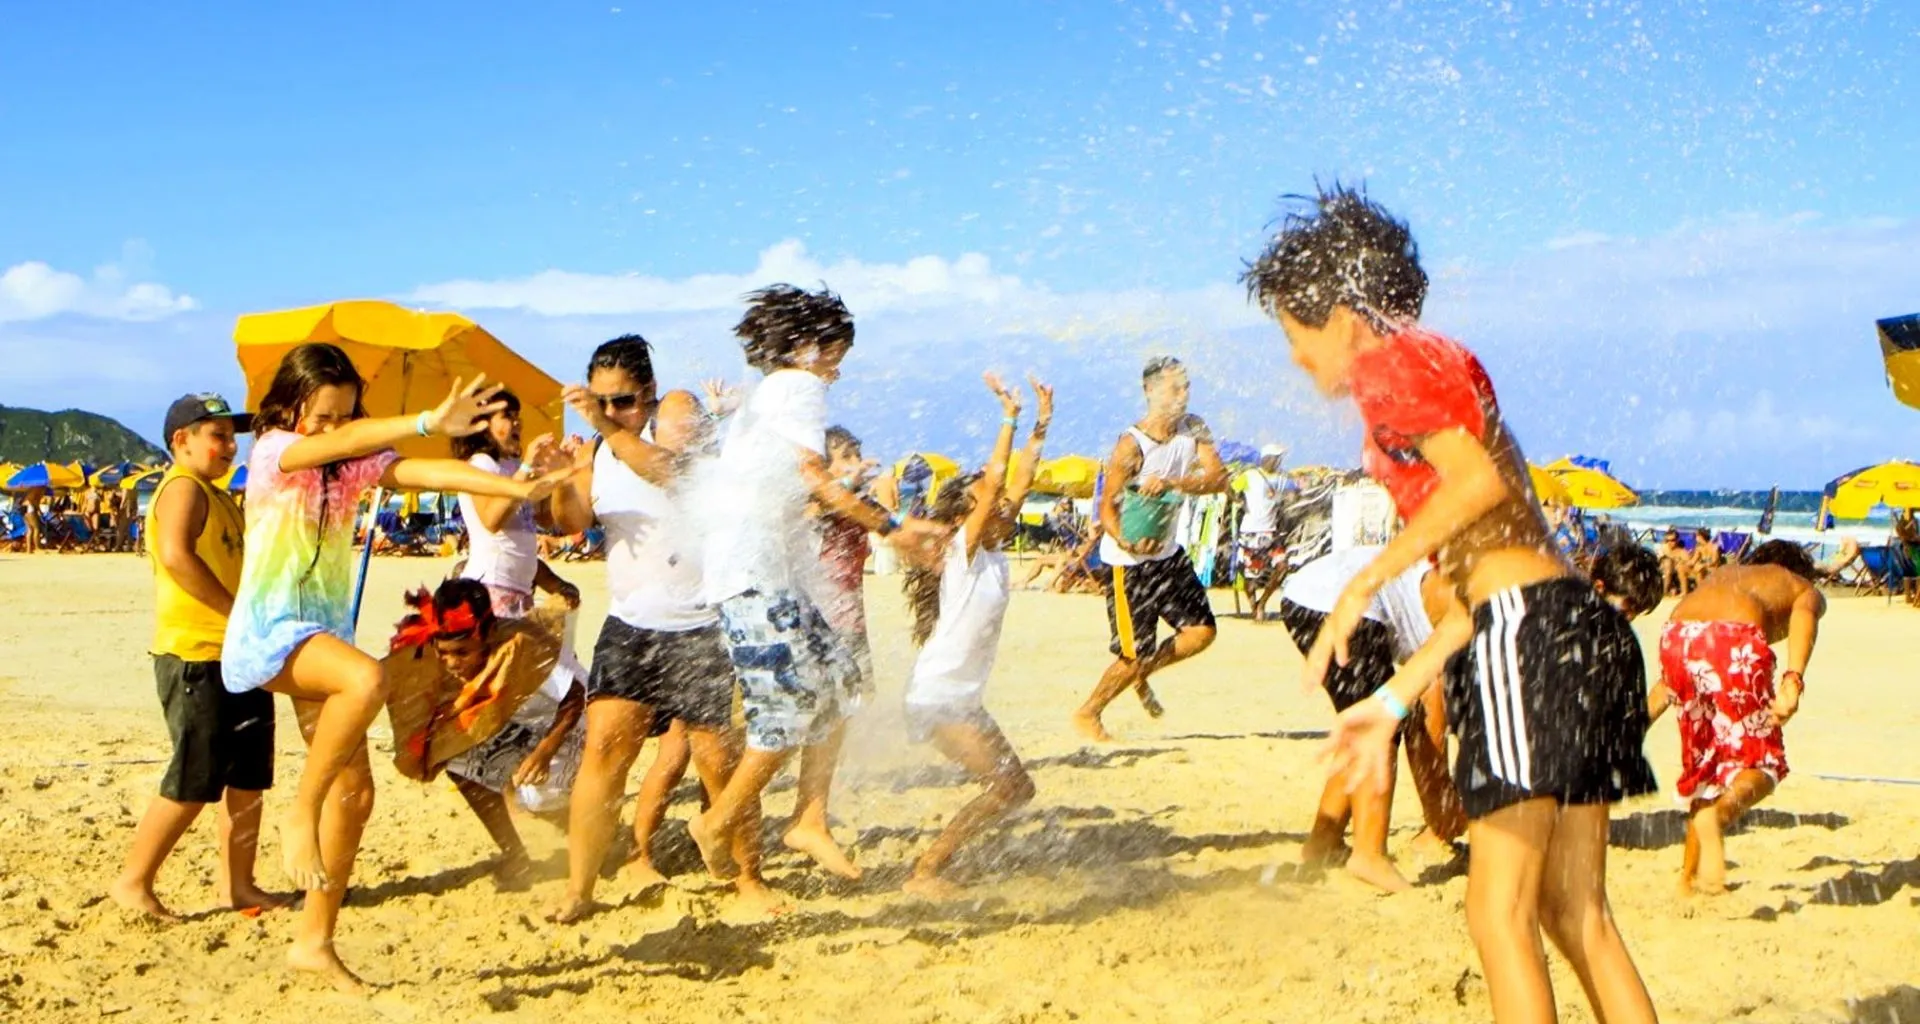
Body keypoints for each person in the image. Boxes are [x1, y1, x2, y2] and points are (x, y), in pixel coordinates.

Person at [1247, 183, 1659, 1024]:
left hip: (1528, 631)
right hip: (1574, 626)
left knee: (1498, 912)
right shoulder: (1438, 358)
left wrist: (1362, 583)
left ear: (1340, 314)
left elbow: (1473, 489)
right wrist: (1391, 700)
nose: (1294, 359)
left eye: (1294, 335)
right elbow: (1479, 595)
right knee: (1578, 915)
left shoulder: (1388, 365)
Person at [221, 342, 573, 990]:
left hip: (320, 638)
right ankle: (300, 812)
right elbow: (337, 443)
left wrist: (517, 485)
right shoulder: (274, 450)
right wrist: (421, 422)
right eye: (323, 417)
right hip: (270, 636)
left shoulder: (351, 470)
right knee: (368, 678)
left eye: (343, 416)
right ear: (293, 408)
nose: (334, 429)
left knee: (356, 795)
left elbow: (431, 477)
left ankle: (314, 942)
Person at [683, 283, 946, 890]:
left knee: (842, 687)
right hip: (748, 573)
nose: (838, 368)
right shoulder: (798, 387)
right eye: (835, 353)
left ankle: (808, 817)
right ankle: (715, 823)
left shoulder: (767, 393)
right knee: (792, 705)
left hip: (766, 568)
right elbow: (813, 475)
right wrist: (894, 527)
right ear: (805, 347)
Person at [539, 335, 768, 921]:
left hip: (699, 627)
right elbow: (572, 524)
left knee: (719, 764)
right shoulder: (601, 450)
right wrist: (563, 478)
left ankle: (749, 879)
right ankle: (580, 890)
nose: (611, 412)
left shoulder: (683, 431)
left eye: (623, 402)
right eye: (600, 401)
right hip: (631, 625)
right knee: (604, 758)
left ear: (648, 395)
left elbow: (669, 474)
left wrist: (609, 433)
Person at [109, 394, 286, 921]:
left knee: (250, 775)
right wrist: (237, 615)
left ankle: (240, 885)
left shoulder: (218, 493)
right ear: (181, 441)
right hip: (196, 653)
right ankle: (133, 881)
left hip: (238, 654)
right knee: (195, 776)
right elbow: (176, 556)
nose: (229, 447)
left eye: (233, 438)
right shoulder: (183, 487)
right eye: (217, 436)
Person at [898, 374, 1050, 898]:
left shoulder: (995, 557)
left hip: (962, 699)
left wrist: (1041, 425)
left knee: (1018, 788)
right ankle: (926, 870)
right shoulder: (963, 555)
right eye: (992, 502)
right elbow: (998, 478)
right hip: (939, 699)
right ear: (968, 515)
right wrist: (1008, 418)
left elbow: (1019, 479)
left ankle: (940, 861)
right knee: (1006, 786)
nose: (1006, 507)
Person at [1275, 545, 1459, 892]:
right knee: (1378, 730)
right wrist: (1442, 818)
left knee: (1368, 726)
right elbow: (1426, 734)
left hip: (1306, 593)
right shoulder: (1472, 619)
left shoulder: (1470, 595)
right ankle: (1369, 854)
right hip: (1335, 600)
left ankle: (1323, 842)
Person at [1647, 539, 1822, 898]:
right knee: (1764, 763)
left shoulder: (1725, 575)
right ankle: (1720, 816)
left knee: (1707, 769)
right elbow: (1806, 611)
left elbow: (1667, 684)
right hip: (1733, 639)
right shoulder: (1798, 584)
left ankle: (1688, 880)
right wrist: (1793, 680)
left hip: (1676, 635)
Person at [381, 579, 580, 889]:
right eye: (444, 653)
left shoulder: (521, 645)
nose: (451, 663)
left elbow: (575, 697)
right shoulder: (431, 651)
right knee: (458, 761)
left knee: (540, 800)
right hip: (520, 727)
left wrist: (544, 753)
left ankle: (591, 830)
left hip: (566, 725)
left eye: (462, 653)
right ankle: (516, 855)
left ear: (487, 636)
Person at [1072, 356, 1230, 742]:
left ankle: (1145, 674)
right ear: (1150, 391)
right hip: (1128, 561)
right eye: (1175, 387)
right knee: (1130, 654)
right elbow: (1107, 505)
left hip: (1168, 555)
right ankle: (1089, 712)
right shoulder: (1131, 444)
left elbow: (1219, 479)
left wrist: (1174, 482)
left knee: (1201, 632)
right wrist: (1123, 537)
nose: (1183, 394)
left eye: (1186, 386)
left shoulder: (1194, 428)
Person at [1237, 443, 1292, 621]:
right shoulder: (1249, 476)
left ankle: (1262, 603)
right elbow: (1229, 488)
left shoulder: (1283, 478)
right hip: (1251, 532)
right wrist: (1240, 503)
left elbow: (1296, 492)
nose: (1277, 461)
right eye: (1275, 457)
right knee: (1251, 575)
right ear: (1266, 458)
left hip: (1272, 532)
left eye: (1278, 458)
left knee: (1282, 567)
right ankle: (1254, 605)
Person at [1685, 527, 1722, 592]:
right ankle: (1684, 592)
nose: (1695, 538)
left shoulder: (1714, 547)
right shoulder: (1699, 548)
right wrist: (1686, 563)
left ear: (1701, 536)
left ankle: (1701, 591)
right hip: (1703, 568)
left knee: (1700, 570)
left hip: (1712, 569)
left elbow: (1714, 562)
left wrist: (1703, 565)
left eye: (1697, 536)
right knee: (1681, 567)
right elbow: (1694, 560)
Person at [1656, 528, 1688, 595]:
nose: (1670, 542)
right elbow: (1657, 560)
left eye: (1672, 540)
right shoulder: (1663, 548)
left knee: (1670, 564)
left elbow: (1687, 562)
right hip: (1662, 570)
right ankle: (1665, 591)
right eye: (1667, 540)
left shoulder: (1681, 551)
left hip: (1674, 573)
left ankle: (1667, 591)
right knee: (1668, 562)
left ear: (1677, 540)